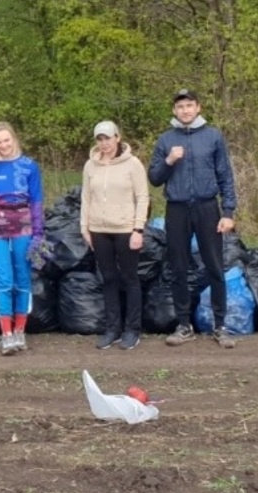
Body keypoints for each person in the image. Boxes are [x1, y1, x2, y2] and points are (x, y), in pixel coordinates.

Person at [147, 89, 239, 349]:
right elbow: (154, 178)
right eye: (180, 107)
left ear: (198, 108)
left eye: (189, 105)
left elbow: (225, 176)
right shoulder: (166, 140)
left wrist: (229, 212)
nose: (185, 110)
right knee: (178, 268)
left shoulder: (213, 136)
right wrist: (169, 160)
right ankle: (184, 325)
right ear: (174, 111)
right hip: (176, 209)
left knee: (214, 266)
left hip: (207, 208)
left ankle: (220, 326)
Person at [0, 122, 43, 356]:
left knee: (22, 279)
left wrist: (38, 233)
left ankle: (20, 331)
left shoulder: (29, 166)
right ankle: (6, 334)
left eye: (7, 140)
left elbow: (36, 200)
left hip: (23, 228)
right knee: (4, 280)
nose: (3, 145)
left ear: (14, 139)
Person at [81, 120, 149, 351]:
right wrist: (85, 228)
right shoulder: (90, 166)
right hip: (99, 229)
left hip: (125, 230)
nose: (104, 143)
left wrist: (138, 228)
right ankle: (112, 328)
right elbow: (86, 198)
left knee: (130, 278)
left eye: (108, 138)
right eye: (100, 139)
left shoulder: (133, 165)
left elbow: (143, 197)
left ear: (118, 137)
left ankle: (132, 330)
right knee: (108, 278)